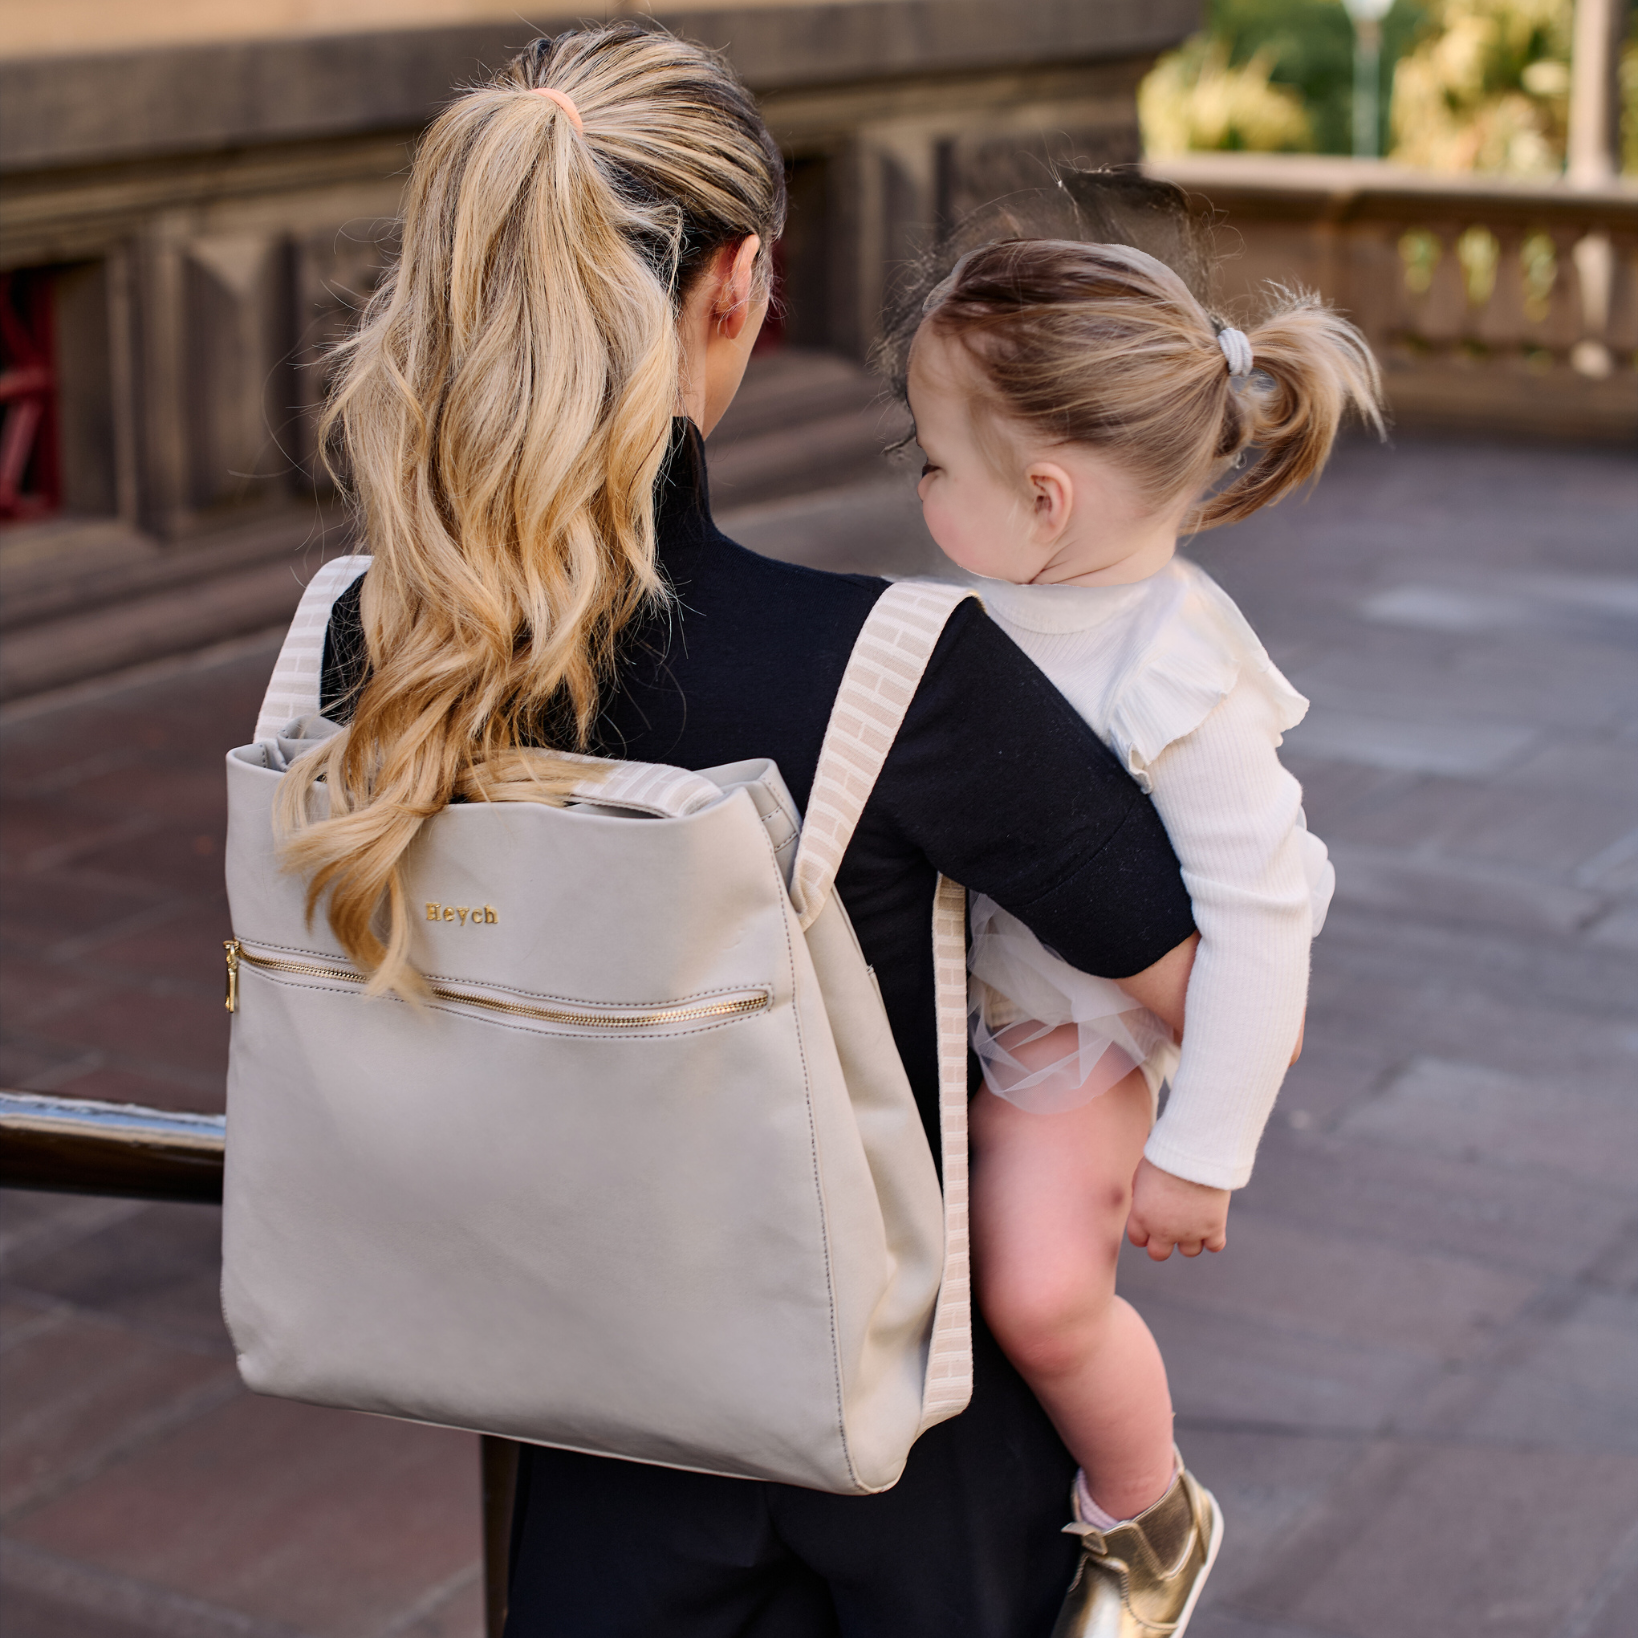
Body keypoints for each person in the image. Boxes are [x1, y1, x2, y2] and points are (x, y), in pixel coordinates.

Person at [302, 23, 1203, 1636]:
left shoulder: (355, 645)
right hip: (898, 1461)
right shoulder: (895, 670)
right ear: (740, 285)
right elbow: (1198, 978)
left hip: (577, 1414)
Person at [898, 236, 1382, 1633]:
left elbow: (1259, 921)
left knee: (1041, 1291)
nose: (920, 488)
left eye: (934, 462)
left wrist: (1197, 1154)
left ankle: (1144, 1508)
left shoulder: (1172, 665)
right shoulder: (994, 600)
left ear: (1043, 498)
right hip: (969, 987)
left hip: (1079, 1038)